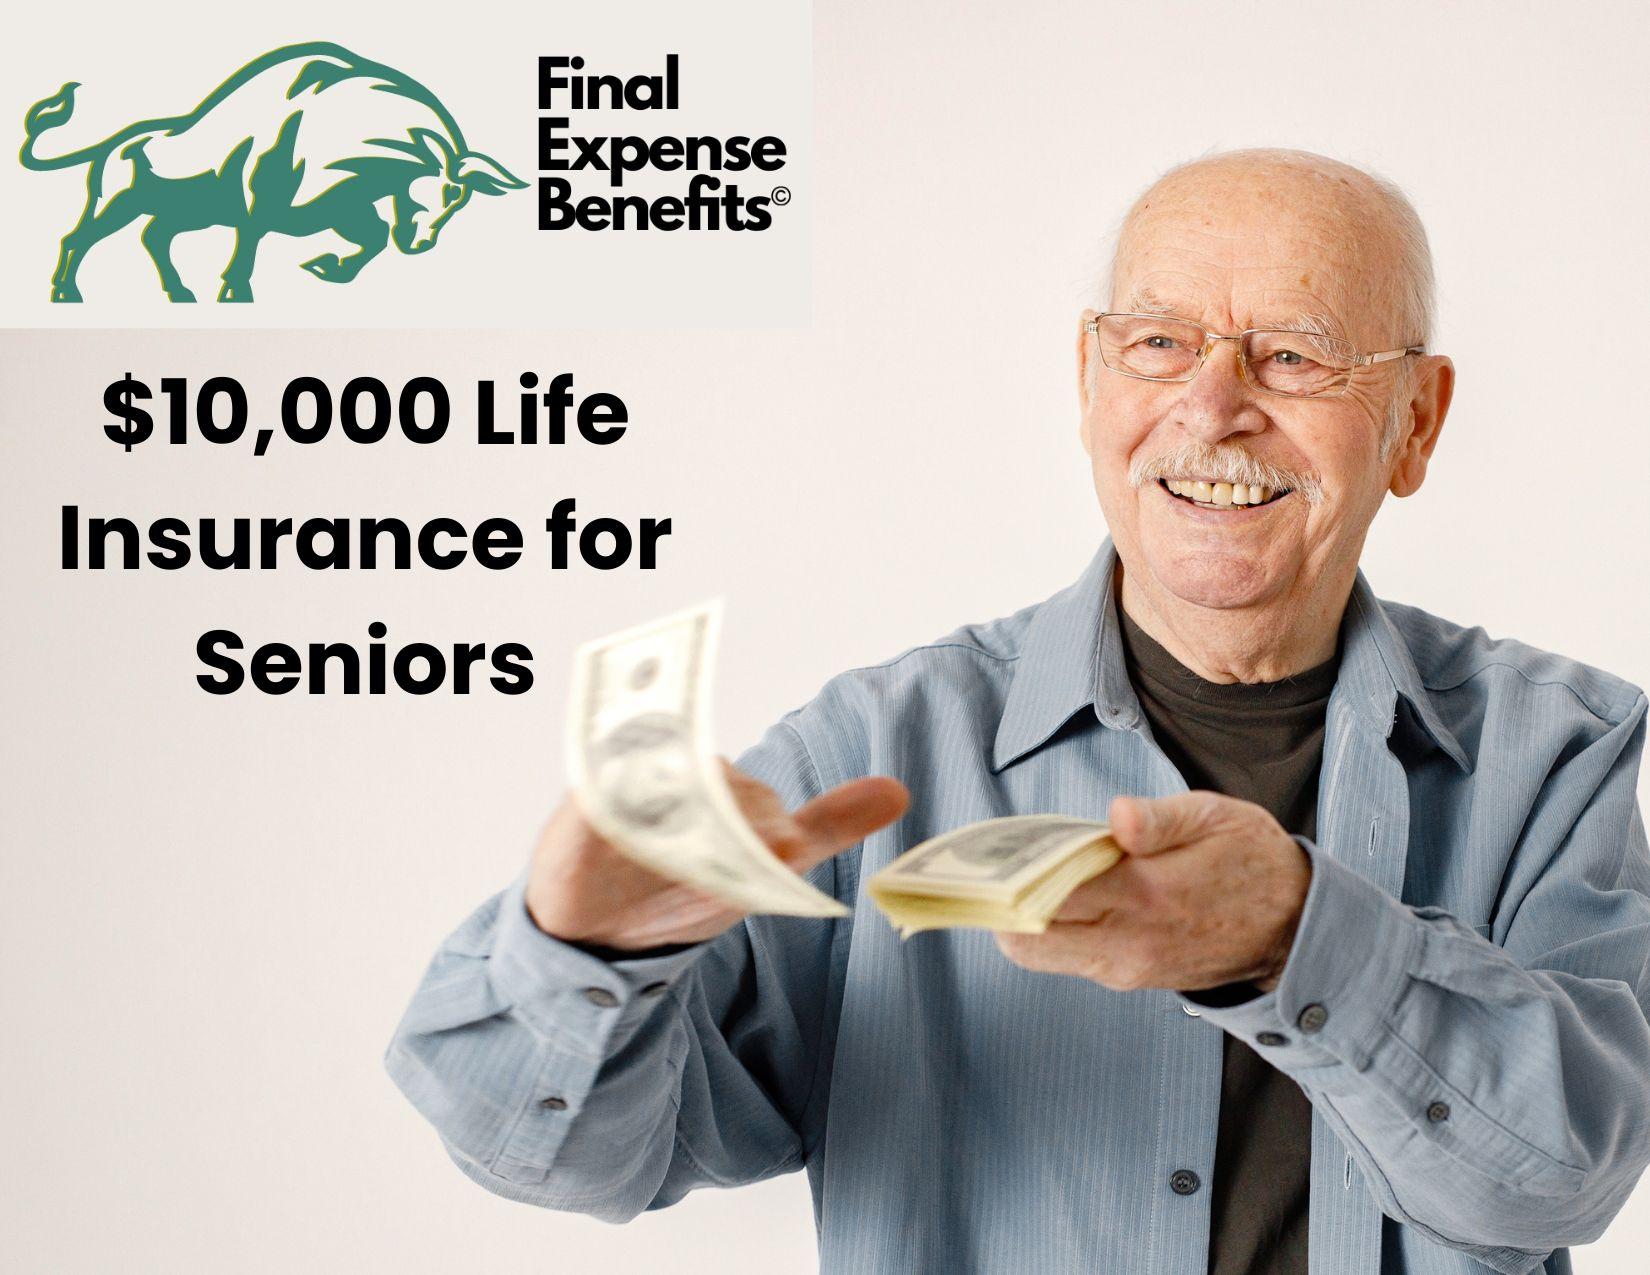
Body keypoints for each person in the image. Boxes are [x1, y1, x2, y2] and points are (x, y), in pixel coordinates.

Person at [385, 148, 1650, 1275]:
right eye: (1158, 343)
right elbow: (563, 1161)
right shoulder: (877, 751)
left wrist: (1290, 938)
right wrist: (584, 956)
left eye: (1294, 355)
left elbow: (1562, 1177)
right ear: (1090, 379)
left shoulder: (1557, 757)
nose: (1213, 407)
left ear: (1414, 422)